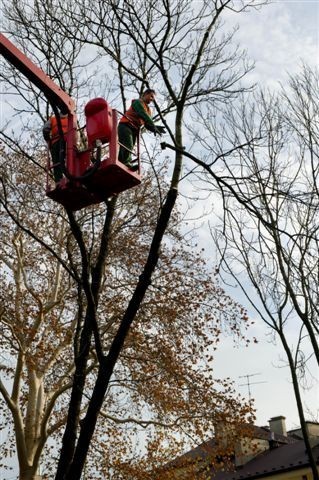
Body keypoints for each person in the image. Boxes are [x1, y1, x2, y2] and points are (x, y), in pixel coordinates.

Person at [118, 89, 166, 169]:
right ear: (145, 94)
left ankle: (122, 162)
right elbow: (142, 113)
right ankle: (126, 162)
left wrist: (155, 128)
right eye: (151, 96)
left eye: (153, 98)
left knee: (129, 146)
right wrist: (153, 124)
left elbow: (147, 124)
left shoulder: (148, 110)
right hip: (125, 125)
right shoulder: (137, 102)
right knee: (128, 144)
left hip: (134, 129)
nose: (152, 99)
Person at [43, 113, 68, 183]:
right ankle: (72, 176)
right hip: (68, 143)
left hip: (56, 143)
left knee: (57, 162)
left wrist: (48, 140)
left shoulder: (53, 119)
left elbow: (45, 129)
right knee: (70, 159)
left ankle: (59, 181)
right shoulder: (71, 119)